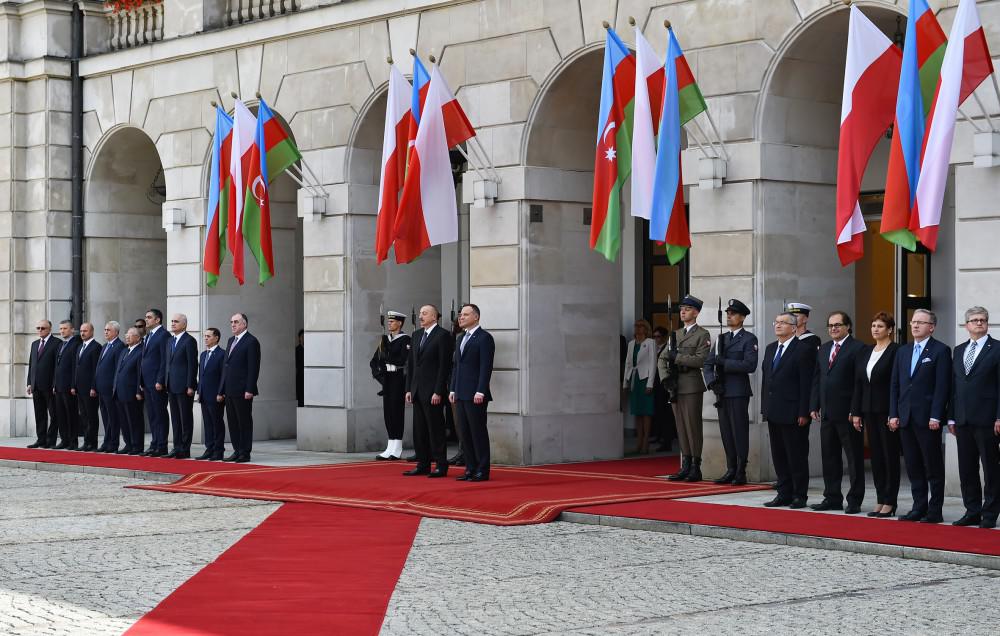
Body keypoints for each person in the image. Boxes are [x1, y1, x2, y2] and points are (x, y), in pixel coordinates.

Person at [889, 308, 951, 524]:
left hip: (927, 419)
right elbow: (896, 385)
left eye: (920, 322)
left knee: (932, 466)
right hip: (905, 418)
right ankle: (918, 507)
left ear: (931, 327)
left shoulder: (941, 351)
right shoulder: (903, 352)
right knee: (913, 465)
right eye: (913, 322)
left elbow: (942, 387)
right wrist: (893, 414)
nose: (914, 325)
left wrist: (936, 416)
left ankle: (935, 511)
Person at [947, 306, 1000, 529]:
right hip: (963, 420)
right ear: (966, 325)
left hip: (988, 419)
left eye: (983, 320)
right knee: (966, 469)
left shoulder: (997, 348)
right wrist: (950, 417)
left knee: (991, 469)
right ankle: (972, 511)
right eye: (974, 320)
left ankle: (989, 513)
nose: (979, 323)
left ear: (987, 324)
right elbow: (954, 387)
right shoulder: (959, 350)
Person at [810, 311, 866, 514]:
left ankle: (854, 499)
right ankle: (832, 497)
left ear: (848, 327)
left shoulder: (858, 348)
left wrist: (856, 410)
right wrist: (814, 405)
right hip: (827, 413)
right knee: (829, 458)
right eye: (830, 325)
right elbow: (817, 379)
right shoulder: (824, 349)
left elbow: (859, 383)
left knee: (853, 459)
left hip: (849, 414)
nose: (833, 328)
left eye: (838, 325)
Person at [761, 312, 813, 509]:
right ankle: (783, 493)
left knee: (796, 455)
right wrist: (764, 408)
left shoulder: (803, 349)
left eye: (784, 323)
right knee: (779, 455)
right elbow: (767, 381)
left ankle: (799, 495)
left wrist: (803, 412)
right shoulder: (770, 348)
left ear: (793, 327)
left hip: (793, 412)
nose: (778, 325)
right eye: (777, 322)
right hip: (774, 411)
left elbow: (806, 383)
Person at [850, 312, 901, 517]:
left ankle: (891, 501)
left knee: (890, 457)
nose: (875, 329)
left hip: (887, 411)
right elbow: (858, 384)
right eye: (873, 325)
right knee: (877, 457)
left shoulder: (897, 351)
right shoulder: (866, 351)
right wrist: (855, 412)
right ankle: (880, 499)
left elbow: (896, 385)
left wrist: (894, 412)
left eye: (880, 326)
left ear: (889, 329)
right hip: (869, 410)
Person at [704, 299, 758, 485]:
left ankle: (741, 470)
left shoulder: (749, 339)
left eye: (733, 314)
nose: (729, 316)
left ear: (742, 317)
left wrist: (725, 362)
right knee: (726, 431)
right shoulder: (721, 339)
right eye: (727, 313)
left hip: (738, 392)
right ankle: (731, 468)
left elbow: (750, 365)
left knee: (739, 431)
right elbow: (708, 364)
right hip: (722, 391)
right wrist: (711, 383)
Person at [659, 295, 711, 481]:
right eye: (681, 308)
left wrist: (678, 358)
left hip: (691, 386)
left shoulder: (702, 335)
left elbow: (701, 360)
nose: (683, 312)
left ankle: (696, 466)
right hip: (675, 386)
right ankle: (686, 464)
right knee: (681, 427)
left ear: (696, 313)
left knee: (692, 426)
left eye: (687, 309)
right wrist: (666, 378)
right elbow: (662, 358)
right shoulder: (677, 334)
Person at [403, 304, 454, 478]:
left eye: (424, 313)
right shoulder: (416, 335)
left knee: (436, 429)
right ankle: (423, 463)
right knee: (419, 430)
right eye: (420, 314)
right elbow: (411, 364)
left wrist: (438, 391)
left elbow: (444, 366)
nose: (420, 317)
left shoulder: (443, 336)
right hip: (417, 390)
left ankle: (441, 464)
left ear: (434, 316)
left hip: (433, 391)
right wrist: (409, 388)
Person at [450, 303, 495, 482]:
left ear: (476, 317)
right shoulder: (460, 338)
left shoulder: (484, 338)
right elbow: (456, 367)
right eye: (461, 315)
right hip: (460, 392)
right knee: (464, 433)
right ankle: (470, 468)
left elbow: (486, 367)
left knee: (477, 432)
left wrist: (481, 390)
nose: (461, 317)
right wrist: (453, 388)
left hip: (475, 394)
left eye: (466, 315)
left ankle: (482, 470)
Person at [221, 313, 260, 463]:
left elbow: (253, 368)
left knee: (244, 421)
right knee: (232, 421)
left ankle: (245, 452)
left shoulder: (251, 341)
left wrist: (249, 389)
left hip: (243, 390)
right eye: (231, 322)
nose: (233, 324)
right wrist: (222, 388)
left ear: (244, 324)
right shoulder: (231, 340)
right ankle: (237, 450)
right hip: (230, 389)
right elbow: (227, 366)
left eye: (236, 322)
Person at [371, 310, 410, 460]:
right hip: (387, 380)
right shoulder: (385, 340)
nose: (389, 324)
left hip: (398, 379)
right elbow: (375, 361)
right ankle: (390, 446)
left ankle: (397, 447)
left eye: (392, 321)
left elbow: (402, 360)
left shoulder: (405, 340)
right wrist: (379, 375)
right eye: (388, 321)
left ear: (399, 323)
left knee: (396, 412)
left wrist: (387, 355)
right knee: (388, 413)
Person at [161, 314, 198, 459]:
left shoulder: (189, 341)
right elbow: (167, 364)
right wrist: (165, 381)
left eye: (176, 322)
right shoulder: (170, 341)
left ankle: (184, 448)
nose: (173, 324)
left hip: (184, 386)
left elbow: (192, 365)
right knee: (175, 418)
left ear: (184, 324)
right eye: (172, 321)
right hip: (171, 385)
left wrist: (190, 385)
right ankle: (176, 447)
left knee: (185, 418)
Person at [623, 319, 657, 454]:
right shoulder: (631, 344)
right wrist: (625, 382)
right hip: (634, 379)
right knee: (637, 412)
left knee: (646, 412)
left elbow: (653, 364)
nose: (638, 328)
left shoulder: (650, 343)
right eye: (636, 326)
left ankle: (645, 442)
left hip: (645, 379)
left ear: (646, 328)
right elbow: (628, 364)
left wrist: (650, 383)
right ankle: (638, 441)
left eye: (640, 326)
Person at [140, 308, 170, 457]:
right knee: (152, 415)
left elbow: (164, 360)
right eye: (146, 317)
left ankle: (162, 445)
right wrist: (141, 380)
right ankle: (154, 443)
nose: (146, 320)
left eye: (149, 317)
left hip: (157, 383)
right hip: (147, 382)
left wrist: (160, 380)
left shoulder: (164, 335)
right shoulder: (149, 335)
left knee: (160, 414)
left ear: (157, 320)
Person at [26, 320, 58, 448]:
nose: (40, 330)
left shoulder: (56, 343)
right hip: (36, 386)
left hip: (50, 386)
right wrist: (29, 383)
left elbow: (57, 366)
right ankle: (41, 439)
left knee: (54, 414)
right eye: (38, 328)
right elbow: (31, 365)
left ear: (49, 329)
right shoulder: (34, 344)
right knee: (39, 414)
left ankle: (51, 440)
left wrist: (55, 384)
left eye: (43, 328)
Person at [95, 322, 125, 453]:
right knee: (106, 417)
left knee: (113, 418)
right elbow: (99, 368)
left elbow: (118, 369)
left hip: (110, 389)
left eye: (109, 330)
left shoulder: (119, 346)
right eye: (105, 329)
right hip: (101, 388)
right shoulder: (105, 346)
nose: (106, 332)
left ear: (116, 332)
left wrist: (114, 387)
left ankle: (113, 443)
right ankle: (106, 442)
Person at [196, 328, 226, 461]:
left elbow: (223, 376)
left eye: (208, 336)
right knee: (207, 423)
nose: (206, 338)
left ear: (216, 338)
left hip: (216, 395)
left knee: (216, 423)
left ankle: (218, 450)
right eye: (205, 336)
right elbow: (201, 375)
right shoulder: (203, 355)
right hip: (204, 394)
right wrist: (199, 391)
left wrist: (221, 392)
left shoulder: (222, 354)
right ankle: (209, 448)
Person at [114, 327, 145, 455]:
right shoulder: (124, 351)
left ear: (138, 338)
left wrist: (138, 390)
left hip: (132, 392)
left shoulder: (140, 351)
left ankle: (137, 445)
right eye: (126, 334)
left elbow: (139, 373)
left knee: (134, 420)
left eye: (131, 335)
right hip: (120, 391)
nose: (127, 337)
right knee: (123, 420)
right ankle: (128, 443)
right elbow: (118, 371)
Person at [73, 323, 103, 452]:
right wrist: (74, 385)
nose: (82, 333)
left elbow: (96, 370)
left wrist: (93, 387)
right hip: (79, 388)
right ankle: (86, 441)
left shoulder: (96, 347)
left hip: (90, 389)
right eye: (81, 331)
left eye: (85, 331)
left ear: (92, 331)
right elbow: (76, 368)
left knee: (91, 416)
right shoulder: (80, 346)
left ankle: (93, 443)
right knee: (84, 416)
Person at [52, 320, 82, 450]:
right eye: (60, 328)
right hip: (58, 386)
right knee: (61, 414)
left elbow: (75, 367)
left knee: (71, 414)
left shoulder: (76, 343)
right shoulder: (61, 344)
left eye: (65, 328)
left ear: (72, 330)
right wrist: (54, 384)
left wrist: (73, 385)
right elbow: (56, 366)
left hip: (69, 387)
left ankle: (72, 441)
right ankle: (64, 439)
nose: (62, 331)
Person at [651, 326, 677, 451]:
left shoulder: (668, 347)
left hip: (665, 384)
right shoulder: (653, 348)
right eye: (654, 336)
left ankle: (667, 440)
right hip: (656, 383)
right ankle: (659, 435)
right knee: (659, 412)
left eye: (658, 336)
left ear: (664, 337)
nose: (656, 339)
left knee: (667, 414)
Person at [295, 329, 304, 408]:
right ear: (299, 338)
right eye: (302, 337)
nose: (304, 338)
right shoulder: (297, 350)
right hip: (300, 377)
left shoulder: (310, 350)